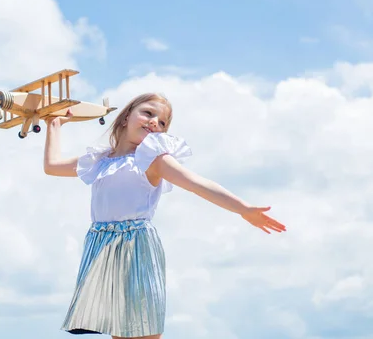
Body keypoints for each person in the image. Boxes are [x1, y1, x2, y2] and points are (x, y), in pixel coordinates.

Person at [43, 93, 286, 339]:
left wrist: (243, 208)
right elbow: (52, 166)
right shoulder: (99, 160)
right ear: (127, 116)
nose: (154, 122)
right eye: (148, 113)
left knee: (143, 331)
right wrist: (54, 124)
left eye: (162, 123)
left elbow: (197, 184)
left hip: (135, 246)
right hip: (102, 247)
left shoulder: (154, 160)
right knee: (118, 333)